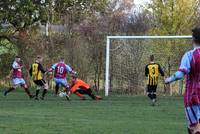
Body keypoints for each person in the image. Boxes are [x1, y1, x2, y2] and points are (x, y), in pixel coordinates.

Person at [165, 27, 200, 134]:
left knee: (194, 128)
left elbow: (180, 74)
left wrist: (168, 79)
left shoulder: (189, 55)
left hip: (193, 96)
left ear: (193, 39)